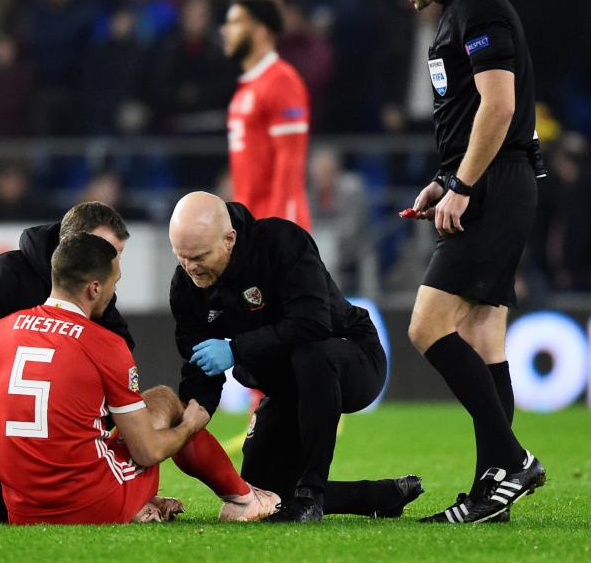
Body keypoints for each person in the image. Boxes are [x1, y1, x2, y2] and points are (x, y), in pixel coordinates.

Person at [0, 201, 274, 523]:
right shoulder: (89, 334)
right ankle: (243, 498)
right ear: (92, 281)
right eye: (110, 265)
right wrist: (189, 426)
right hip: (83, 497)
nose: (115, 272)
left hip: (21, 502)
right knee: (164, 402)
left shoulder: (0, 332)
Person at [366, 0, 546, 524]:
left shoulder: (479, 10)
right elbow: (476, 115)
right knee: (481, 335)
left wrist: (464, 185)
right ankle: (490, 492)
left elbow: (500, 106)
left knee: (427, 327)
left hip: (494, 186)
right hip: (492, 181)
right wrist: (445, 181)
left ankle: (512, 461)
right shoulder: (461, 12)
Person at [168, 192, 423, 523]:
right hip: (287, 387)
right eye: (181, 256)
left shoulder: (281, 242)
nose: (190, 267)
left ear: (230, 239)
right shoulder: (186, 286)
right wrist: (188, 421)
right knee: (263, 492)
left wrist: (235, 349)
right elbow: (199, 367)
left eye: (199, 256)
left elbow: (312, 323)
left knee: (312, 355)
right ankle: (381, 496)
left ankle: (311, 495)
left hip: (351, 356)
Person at [221, 0, 311, 230]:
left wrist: (278, 231)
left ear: (260, 31)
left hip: (271, 228)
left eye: (235, 22)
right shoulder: (246, 88)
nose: (225, 30)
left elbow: (290, 161)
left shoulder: (282, 81)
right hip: (249, 225)